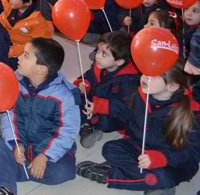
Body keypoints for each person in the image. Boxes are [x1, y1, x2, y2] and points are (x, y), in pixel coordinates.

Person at [77, 59, 200, 194]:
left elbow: (191, 153)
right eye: (145, 73)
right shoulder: (141, 95)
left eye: (153, 76)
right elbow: (127, 113)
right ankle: (152, 182)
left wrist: (161, 158)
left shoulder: (188, 114)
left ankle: (110, 176)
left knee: (164, 176)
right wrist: (97, 108)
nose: (144, 77)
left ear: (172, 86)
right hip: (141, 147)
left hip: (172, 161)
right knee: (110, 149)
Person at [0, 38, 80, 195]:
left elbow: (66, 131)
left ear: (41, 69)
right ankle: (4, 188)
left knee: (64, 172)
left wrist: (45, 155)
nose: (19, 57)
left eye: (26, 55)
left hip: (47, 146)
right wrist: (16, 143)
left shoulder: (65, 96)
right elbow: (8, 115)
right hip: (22, 141)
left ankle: (7, 172)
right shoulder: (13, 81)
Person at [72, 31, 139, 148]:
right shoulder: (99, 65)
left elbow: (125, 107)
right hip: (94, 101)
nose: (97, 56)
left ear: (119, 61)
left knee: (104, 123)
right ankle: (86, 124)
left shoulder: (128, 80)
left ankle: (86, 124)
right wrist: (83, 84)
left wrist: (98, 107)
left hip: (112, 112)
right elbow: (87, 76)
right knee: (73, 96)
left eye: (104, 54)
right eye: (98, 50)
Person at [0, 0, 54, 64]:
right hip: (5, 42)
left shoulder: (41, 20)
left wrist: (12, 51)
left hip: (23, 53)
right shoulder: (7, 3)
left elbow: (36, 46)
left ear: (28, 2)